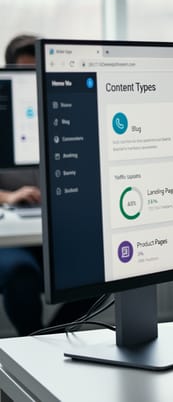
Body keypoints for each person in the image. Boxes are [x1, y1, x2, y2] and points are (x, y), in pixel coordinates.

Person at [0, 34, 95, 335]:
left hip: (54, 229)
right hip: (15, 237)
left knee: (97, 271)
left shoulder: (63, 107)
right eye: (26, 74)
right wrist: (10, 196)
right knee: (20, 275)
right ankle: (31, 346)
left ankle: (46, 339)